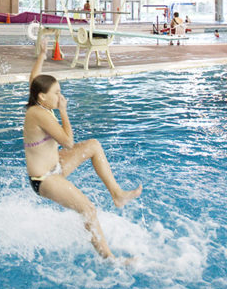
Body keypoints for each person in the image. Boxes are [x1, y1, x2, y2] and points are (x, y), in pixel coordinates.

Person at [23, 42, 142, 260]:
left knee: (94, 145)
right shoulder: (38, 114)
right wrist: (64, 111)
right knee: (89, 210)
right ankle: (109, 259)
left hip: (56, 165)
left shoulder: (38, 99)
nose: (60, 97)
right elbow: (68, 142)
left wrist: (41, 55)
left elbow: (34, 77)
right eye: (57, 93)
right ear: (42, 97)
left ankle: (117, 194)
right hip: (45, 179)